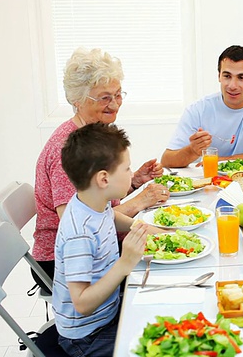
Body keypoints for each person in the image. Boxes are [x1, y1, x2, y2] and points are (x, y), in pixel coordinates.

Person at [33, 47, 169, 290]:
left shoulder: (92, 135)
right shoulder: (69, 149)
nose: (115, 104)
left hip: (99, 247)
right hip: (66, 263)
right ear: (78, 100)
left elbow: (97, 197)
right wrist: (139, 202)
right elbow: (80, 224)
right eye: (105, 98)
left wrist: (134, 181)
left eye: (118, 95)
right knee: (165, 272)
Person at [54, 123, 156, 356]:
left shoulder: (93, 202)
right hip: (88, 337)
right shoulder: (79, 233)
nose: (131, 174)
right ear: (103, 179)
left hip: (109, 314)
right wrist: (125, 264)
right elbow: (81, 303)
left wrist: (144, 228)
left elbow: (111, 217)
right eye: (127, 169)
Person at [161, 45, 243, 168]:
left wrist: (227, 160)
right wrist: (192, 150)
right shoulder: (198, 109)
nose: (232, 85)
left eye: (241, 77)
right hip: (211, 182)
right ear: (219, 76)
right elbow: (166, 161)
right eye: (227, 76)